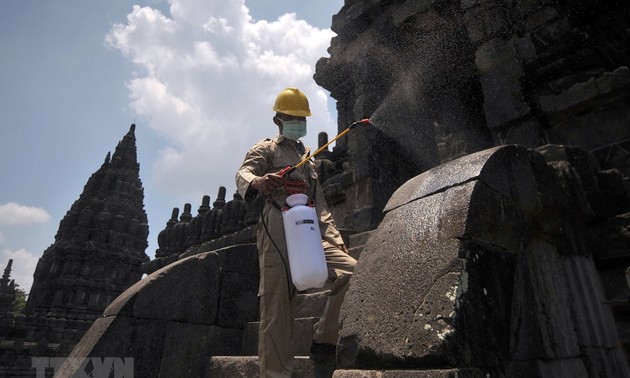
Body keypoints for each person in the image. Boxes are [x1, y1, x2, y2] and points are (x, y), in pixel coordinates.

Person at [236, 88, 356, 377]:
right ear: (279, 119)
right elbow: (243, 173)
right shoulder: (266, 149)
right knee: (277, 309)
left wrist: (335, 240)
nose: (299, 123)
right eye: (293, 117)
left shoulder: (309, 160)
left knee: (352, 273)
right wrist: (258, 182)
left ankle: (324, 337)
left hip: (309, 229)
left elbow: (322, 205)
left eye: (302, 118)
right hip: (277, 228)